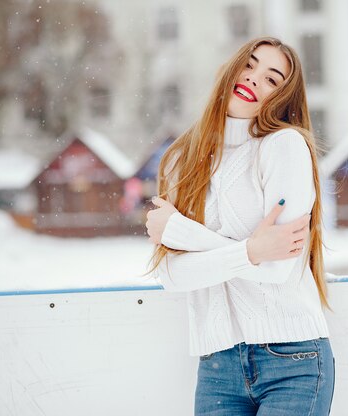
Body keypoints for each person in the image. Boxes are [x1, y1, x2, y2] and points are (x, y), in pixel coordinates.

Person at [144, 36, 335, 415]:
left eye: (271, 79)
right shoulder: (181, 160)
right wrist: (253, 250)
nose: (253, 79)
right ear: (229, 68)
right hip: (217, 367)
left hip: (292, 361)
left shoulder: (284, 147)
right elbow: (172, 275)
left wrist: (181, 232)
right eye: (249, 65)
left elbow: (277, 265)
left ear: (280, 98)